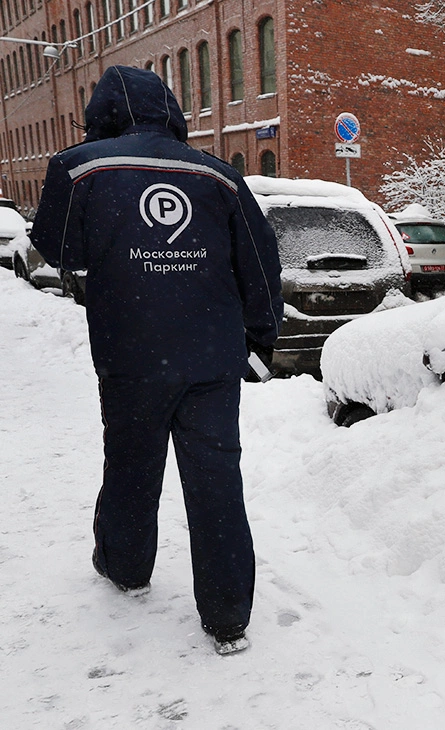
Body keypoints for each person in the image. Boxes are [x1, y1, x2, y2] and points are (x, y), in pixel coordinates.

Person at [31, 66, 283, 655]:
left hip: (130, 355)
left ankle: (125, 566)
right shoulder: (219, 177)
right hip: (212, 361)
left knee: (130, 464)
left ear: (102, 114)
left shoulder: (80, 168)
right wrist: (258, 342)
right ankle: (227, 616)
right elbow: (261, 265)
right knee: (217, 480)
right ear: (171, 110)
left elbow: (58, 247)